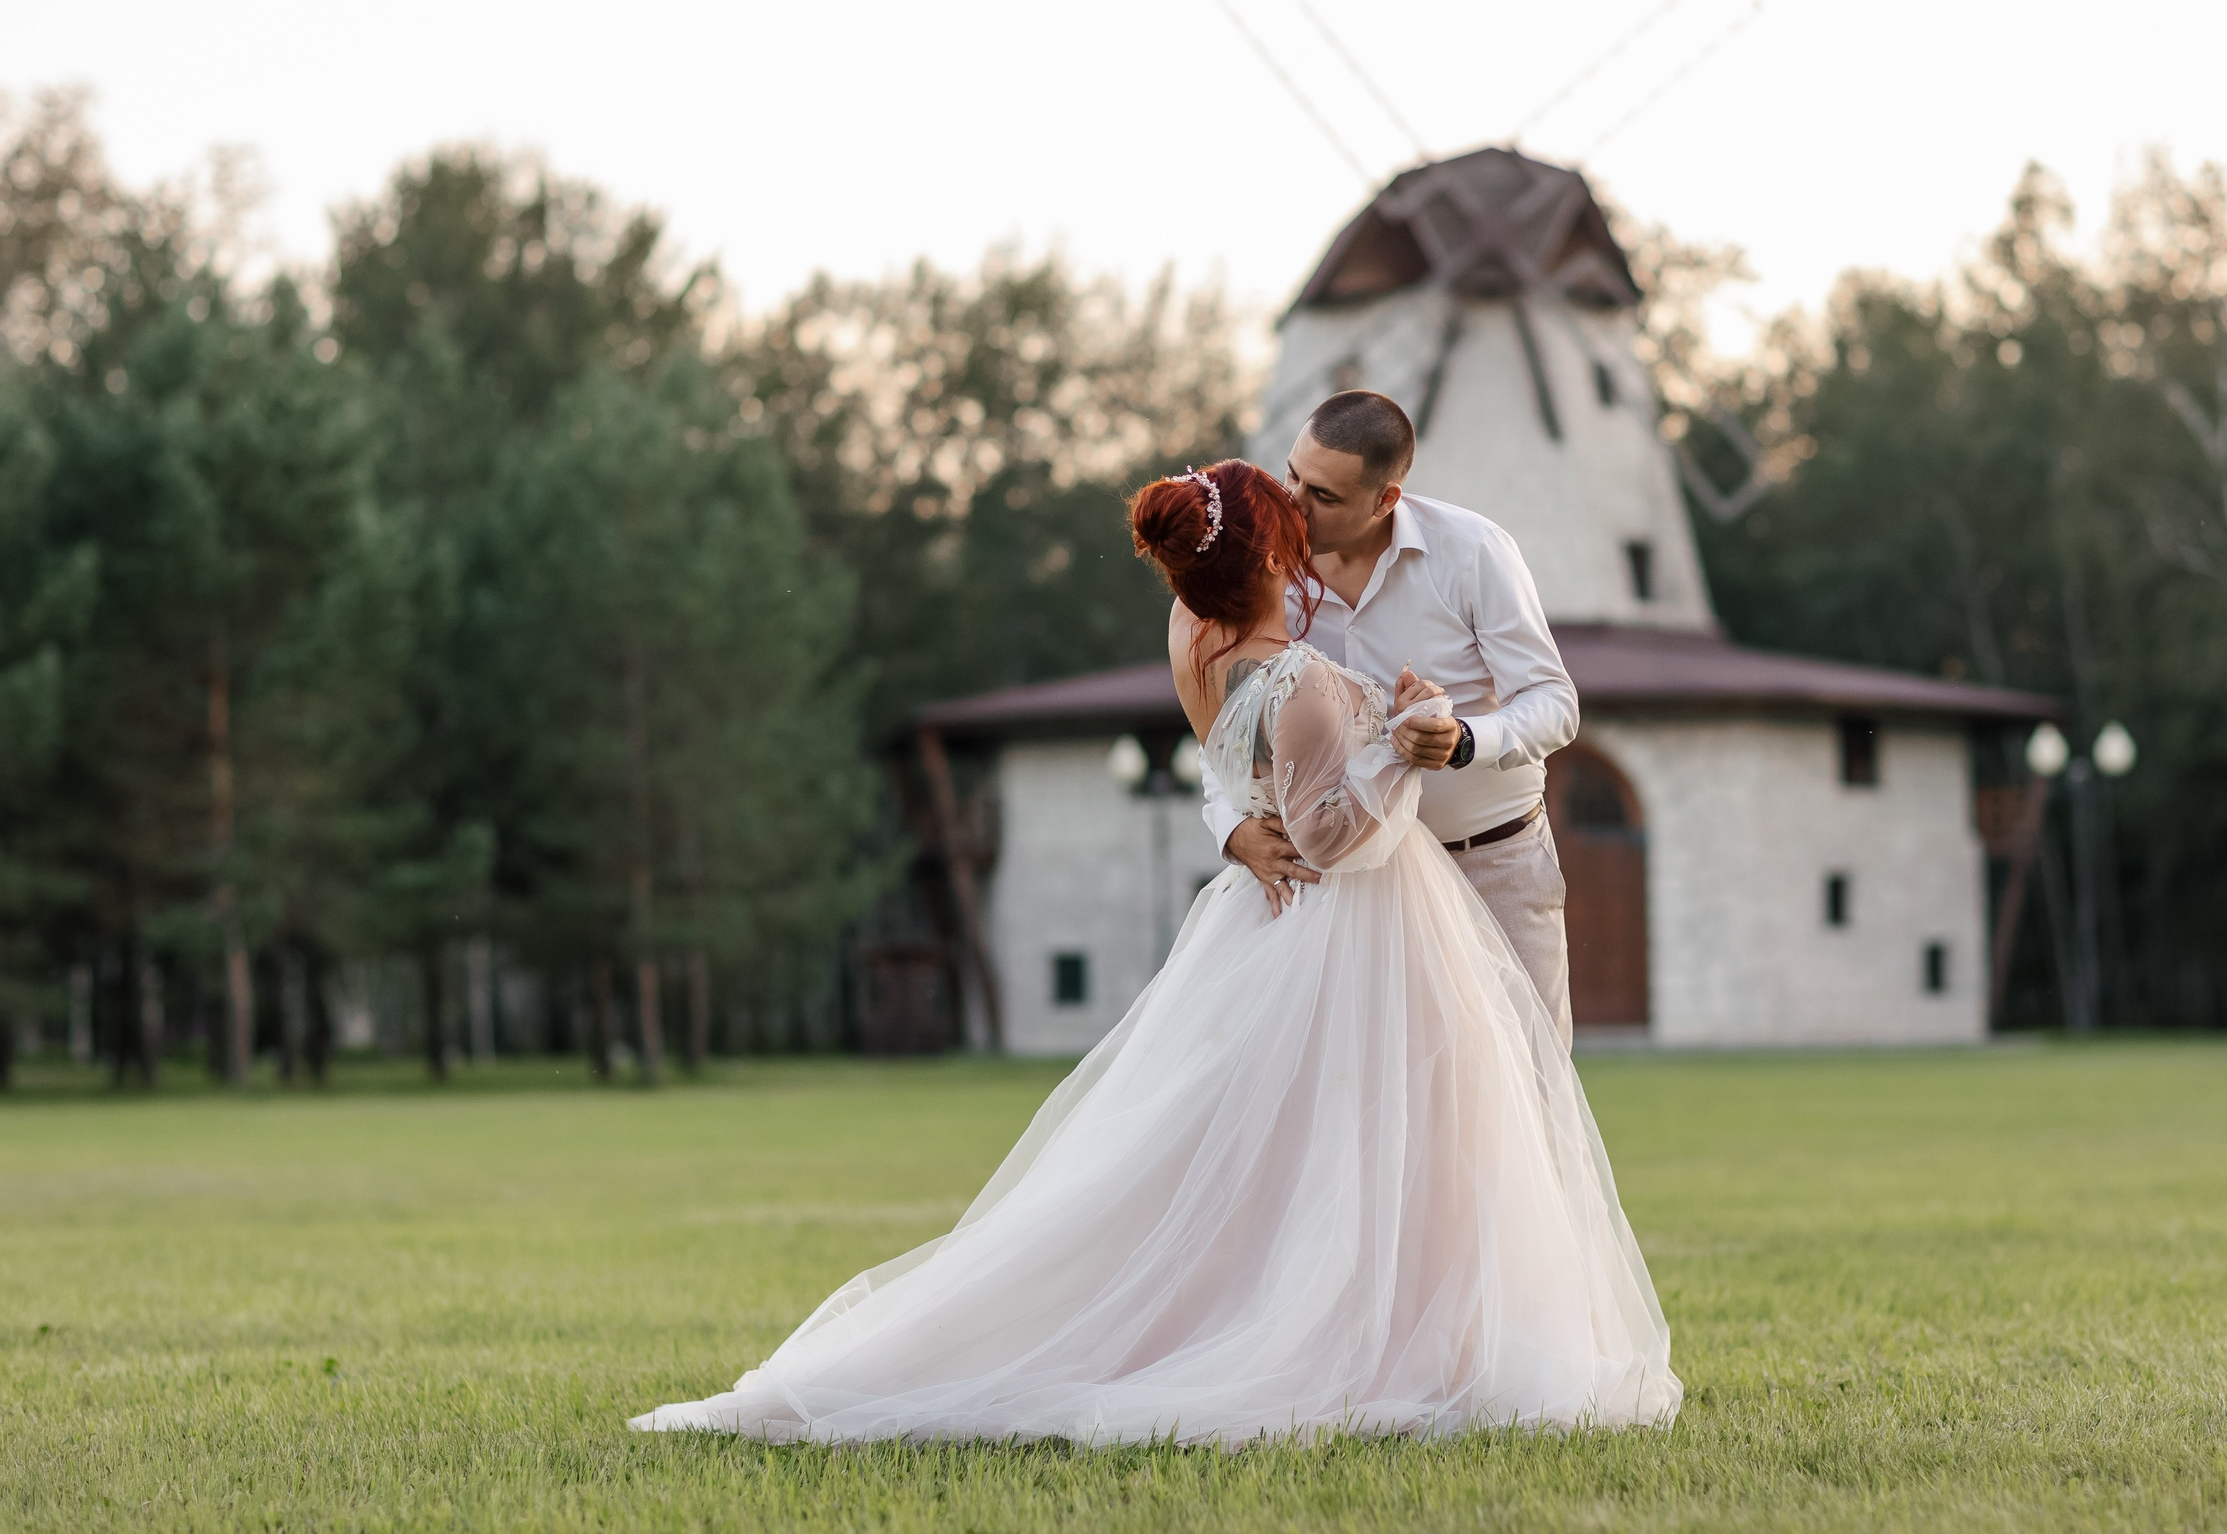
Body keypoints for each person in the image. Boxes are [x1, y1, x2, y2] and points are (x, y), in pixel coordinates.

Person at [627, 459, 1679, 1446]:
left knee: (1279, 1143)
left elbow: (1237, 765)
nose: (1305, 529)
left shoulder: (1191, 635)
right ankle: (1366, 1331)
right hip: (1344, 919)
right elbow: (1330, 838)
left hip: (1255, 917)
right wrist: (1411, 741)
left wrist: (1242, 820)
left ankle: (1377, 1314)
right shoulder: (1304, 678)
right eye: (1289, 516)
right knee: (1375, 1131)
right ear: (1270, 557)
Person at [1208, 389, 1582, 1045]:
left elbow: (1554, 703)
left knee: (1531, 1085)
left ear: (1387, 499)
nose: (1293, 503)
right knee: (1367, 1105)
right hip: (1350, 890)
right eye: (1292, 474)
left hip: (1490, 863)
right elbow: (1230, 730)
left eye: (1323, 495)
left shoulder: (1474, 550)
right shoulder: (1264, 572)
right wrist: (1231, 825)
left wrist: (1465, 739)